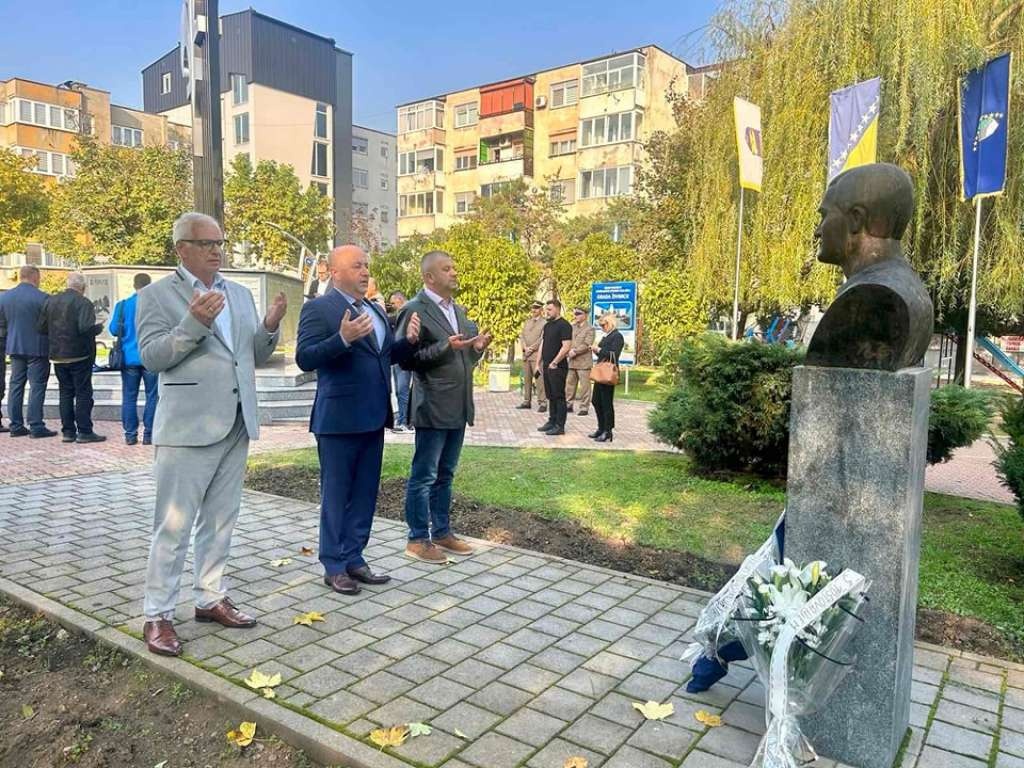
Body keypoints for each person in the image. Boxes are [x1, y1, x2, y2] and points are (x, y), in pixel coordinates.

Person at [137, 212, 287, 657]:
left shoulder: (238, 294)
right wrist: (192, 324)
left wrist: (271, 325)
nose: (216, 250)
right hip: (188, 427)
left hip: (237, 421)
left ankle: (209, 596)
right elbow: (152, 357)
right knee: (173, 525)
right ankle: (158, 614)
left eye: (220, 242)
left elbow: (253, 354)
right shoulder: (158, 296)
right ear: (181, 248)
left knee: (222, 519)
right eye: (206, 243)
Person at [295, 245, 420, 595]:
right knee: (336, 494)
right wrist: (342, 339)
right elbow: (305, 357)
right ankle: (333, 564)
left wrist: (407, 342)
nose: (365, 272)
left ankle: (355, 557)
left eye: (366, 265)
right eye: (356, 266)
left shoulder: (376, 310)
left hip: (374, 416)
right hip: (337, 419)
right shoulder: (319, 308)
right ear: (334, 271)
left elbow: (385, 356)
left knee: (365, 493)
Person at [396, 251, 491, 564]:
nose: (454, 272)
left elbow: (463, 359)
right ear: (429, 277)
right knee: (424, 475)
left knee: (446, 474)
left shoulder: (459, 312)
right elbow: (405, 360)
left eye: (454, 267)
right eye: (446, 269)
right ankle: (417, 538)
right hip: (432, 405)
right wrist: (443, 346)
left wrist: (475, 350)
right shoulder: (414, 309)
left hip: (458, 405)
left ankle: (442, 532)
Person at [37, 272, 105, 443]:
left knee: (65, 393)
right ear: (83, 287)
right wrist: (98, 328)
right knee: (83, 393)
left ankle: (68, 432)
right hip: (80, 354)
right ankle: (84, 431)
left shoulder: (50, 301)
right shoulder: (84, 302)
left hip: (58, 355)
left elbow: (41, 327)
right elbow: (85, 328)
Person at [0, 266, 55, 439]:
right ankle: (36, 425)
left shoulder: (5, 297)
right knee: (37, 386)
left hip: (15, 346)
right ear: (34, 277)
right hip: (38, 347)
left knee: (16, 385)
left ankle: (16, 425)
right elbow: (50, 324)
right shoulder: (43, 298)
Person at [110, 272, 159, 445]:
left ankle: (130, 435)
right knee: (152, 395)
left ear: (134, 285)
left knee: (129, 396)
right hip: (151, 357)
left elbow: (114, 329)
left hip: (129, 358)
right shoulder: (156, 305)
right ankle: (149, 434)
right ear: (150, 285)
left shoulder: (123, 305)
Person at [537, 300, 573, 436]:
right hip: (546, 365)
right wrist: (538, 363)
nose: (547, 312)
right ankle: (551, 421)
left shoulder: (565, 325)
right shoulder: (547, 326)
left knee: (559, 396)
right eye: (547, 310)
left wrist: (555, 362)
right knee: (550, 395)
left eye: (550, 309)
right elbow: (543, 344)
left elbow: (566, 346)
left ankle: (560, 425)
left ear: (558, 309)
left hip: (558, 366)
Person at [590, 313, 624, 443]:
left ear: (610, 323)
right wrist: (596, 350)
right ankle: (601, 427)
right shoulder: (607, 335)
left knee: (606, 402)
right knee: (596, 400)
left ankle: (608, 431)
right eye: (600, 325)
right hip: (601, 372)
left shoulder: (617, 336)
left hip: (609, 373)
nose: (602, 327)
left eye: (603, 325)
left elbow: (614, 354)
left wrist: (598, 350)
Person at [388, 291, 413, 433]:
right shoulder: (402, 313)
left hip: (404, 358)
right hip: (398, 357)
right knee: (399, 390)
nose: (392, 305)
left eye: (393, 303)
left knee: (403, 390)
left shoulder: (407, 311)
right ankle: (402, 419)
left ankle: (405, 422)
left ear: (400, 300)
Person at [516, 301, 546, 412]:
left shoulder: (544, 323)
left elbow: (542, 339)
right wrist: (525, 348)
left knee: (539, 380)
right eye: (532, 308)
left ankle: (542, 402)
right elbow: (522, 336)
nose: (534, 310)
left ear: (541, 309)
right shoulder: (527, 322)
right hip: (526, 355)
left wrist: (531, 348)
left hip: (537, 355)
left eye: (536, 308)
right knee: (527, 379)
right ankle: (526, 401)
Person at [566, 307, 595, 416]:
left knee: (585, 387)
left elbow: (587, 344)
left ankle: (584, 407)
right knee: (569, 385)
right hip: (572, 361)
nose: (576, 315)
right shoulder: (572, 327)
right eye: (575, 313)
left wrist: (575, 351)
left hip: (583, 362)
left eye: (578, 313)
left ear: (585, 315)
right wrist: (568, 351)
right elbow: (567, 340)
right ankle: (568, 404)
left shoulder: (590, 329)